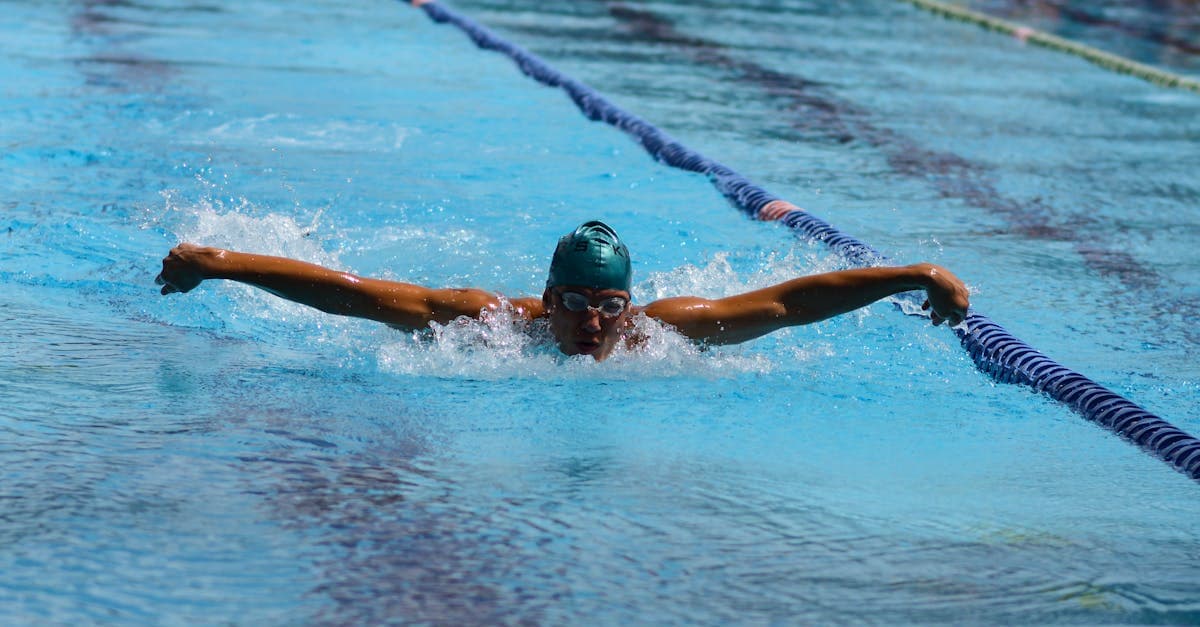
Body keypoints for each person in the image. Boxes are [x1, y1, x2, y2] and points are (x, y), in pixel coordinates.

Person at [156, 220, 970, 361]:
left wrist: (913, 272)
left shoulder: (659, 333)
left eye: (609, 305)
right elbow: (352, 293)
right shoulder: (488, 326)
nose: (592, 322)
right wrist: (222, 262)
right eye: (575, 303)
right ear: (547, 300)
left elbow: (792, 302)